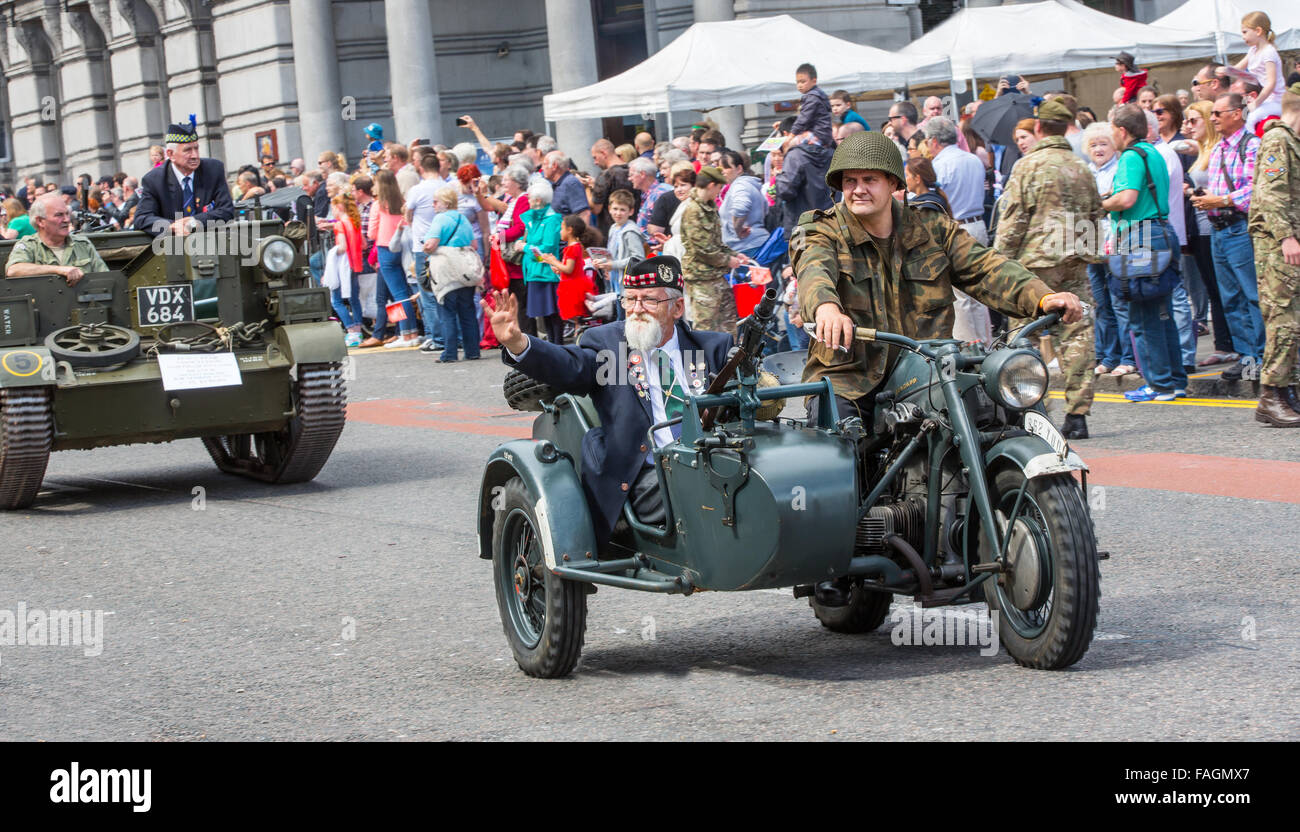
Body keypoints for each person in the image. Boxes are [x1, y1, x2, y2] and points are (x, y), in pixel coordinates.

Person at [795, 131, 1083, 425]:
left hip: (925, 371)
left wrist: (1042, 296)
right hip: (849, 377)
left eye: (869, 179)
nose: (858, 190)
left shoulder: (931, 227)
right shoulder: (820, 230)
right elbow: (813, 271)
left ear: (893, 183)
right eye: (850, 181)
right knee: (838, 439)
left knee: (997, 414)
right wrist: (826, 309)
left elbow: (985, 267)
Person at [487, 255, 733, 541]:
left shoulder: (711, 348)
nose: (636, 309)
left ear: (677, 307)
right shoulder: (608, 345)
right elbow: (567, 365)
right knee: (705, 483)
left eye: (649, 300)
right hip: (642, 476)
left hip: (710, 462)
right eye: (630, 299)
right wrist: (518, 342)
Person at [994, 98, 1102, 437]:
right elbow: (1096, 215)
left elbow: (1013, 219)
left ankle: (1030, 408)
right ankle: (1078, 415)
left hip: (1034, 265)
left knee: (1023, 335)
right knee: (1077, 333)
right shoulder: (1081, 167)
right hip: (1074, 260)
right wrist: (1091, 253)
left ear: (1039, 127)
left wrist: (998, 263)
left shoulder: (1027, 166)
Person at [1099, 104, 1189, 402]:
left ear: (1122, 130)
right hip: (1161, 232)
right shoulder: (1153, 152)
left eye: (1112, 129)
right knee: (1163, 313)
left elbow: (1127, 199)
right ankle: (1175, 381)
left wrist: (1101, 203)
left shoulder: (1129, 156)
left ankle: (1158, 384)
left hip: (1139, 237)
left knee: (1142, 316)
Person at [1191, 93, 1266, 381]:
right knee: (1231, 299)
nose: (1213, 119)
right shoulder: (1219, 147)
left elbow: (1255, 190)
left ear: (1236, 113)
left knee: (1251, 296)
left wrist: (1220, 200)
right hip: (1219, 229)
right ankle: (1247, 360)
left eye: (1218, 113)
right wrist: (1205, 198)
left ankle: (1261, 357)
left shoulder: (1252, 145)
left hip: (1237, 228)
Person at [1247, 81, 1300, 425]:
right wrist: (1286, 237)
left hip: (1289, 242)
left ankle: (1287, 391)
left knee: (1294, 321)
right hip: (1277, 245)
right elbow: (1270, 194)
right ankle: (1270, 395)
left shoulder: (1292, 142)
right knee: (1283, 320)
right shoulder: (1278, 140)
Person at [924, 116, 995, 345]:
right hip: (977, 224)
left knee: (960, 293)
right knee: (978, 289)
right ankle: (984, 343)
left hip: (956, 227)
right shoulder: (973, 159)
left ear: (934, 141)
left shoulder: (940, 165)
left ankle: (969, 347)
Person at [1180, 101, 1236, 366]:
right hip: (1203, 227)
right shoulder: (1203, 149)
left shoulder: (1216, 149)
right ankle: (1224, 345)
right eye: (1187, 120)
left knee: (1223, 289)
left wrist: (1191, 191)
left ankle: (1231, 345)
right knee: (1215, 289)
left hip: (1216, 226)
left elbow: (1220, 190)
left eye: (1194, 120)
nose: (1189, 126)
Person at [1082, 122, 1136, 378]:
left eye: (1103, 143)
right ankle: (1108, 356)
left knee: (1120, 304)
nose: (1098, 149)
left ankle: (1128, 357)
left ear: (1114, 145)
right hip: (1091, 246)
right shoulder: (1086, 172)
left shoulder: (1120, 169)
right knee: (1101, 305)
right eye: (1093, 145)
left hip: (1115, 244)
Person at [133, 119, 235, 237]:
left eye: (196, 148)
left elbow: (227, 210)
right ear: (170, 154)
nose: (195, 155)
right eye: (188, 150)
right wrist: (171, 227)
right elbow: (142, 218)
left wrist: (193, 222)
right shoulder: (154, 179)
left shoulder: (213, 170)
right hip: (172, 245)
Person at [680, 166, 746, 336]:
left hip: (716, 276)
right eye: (719, 187)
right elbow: (701, 249)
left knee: (728, 324)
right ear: (711, 185)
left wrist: (734, 255)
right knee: (706, 326)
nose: (719, 191)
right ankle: (707, 355)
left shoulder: (709, 207)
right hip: (701, 278)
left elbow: (715, 243)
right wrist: (728, 260)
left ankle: (728, 352)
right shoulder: (693, 210)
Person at [422, 186, 483, 363]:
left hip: (446, 271)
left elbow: (430, 244)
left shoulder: (440, 219)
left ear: (446, 203)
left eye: (436, 201)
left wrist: (426, 247)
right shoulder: (463, 219)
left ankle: (449, 353)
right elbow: (474, 244)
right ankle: (472, 351)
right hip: (465, 270)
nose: (433, 204)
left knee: (447, 312)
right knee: (467, 311)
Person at [362, 169, 420, 349]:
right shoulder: (402, 202)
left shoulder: (378, 205)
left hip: (385, 249)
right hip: (403, 248)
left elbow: (371, 233)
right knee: (403, 293)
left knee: (395, 295)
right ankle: (411, 332)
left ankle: (405, 333)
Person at [6, 193, 109, 284]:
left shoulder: (82, 244)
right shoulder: (29, 245)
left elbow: (106, 279)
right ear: (40, 221)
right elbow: (13, 270)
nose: (67, 220)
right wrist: (58, 270)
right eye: (59, 215)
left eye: (67, 214)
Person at [405, 150, 449, 351]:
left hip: (423, 245)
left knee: (428, 294)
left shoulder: (417, 189)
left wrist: (412, 222)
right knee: (446, 292)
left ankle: (438, 338)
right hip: (446, 244)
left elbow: (408, 213)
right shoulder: (447, 186)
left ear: (421, 168)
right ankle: (449, 336)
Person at [520, 178, 565, 345]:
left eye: (530, 198)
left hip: (547, 274)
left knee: (553, 314)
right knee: (545, 315)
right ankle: (552, 347)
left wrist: (524, 247)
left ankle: (557, 347)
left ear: (538, 200)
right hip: (535, 272)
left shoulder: (552, 220)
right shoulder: (534, 219)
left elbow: (546, 250)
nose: (528, 201)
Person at [773, 116, 834, 240]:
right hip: (831, 224)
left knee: (801, 253)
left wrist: (779, 176)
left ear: (788, 135)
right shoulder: (831, 152)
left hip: (801, 228)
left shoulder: (795, 155)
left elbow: (785, 191)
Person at [538, 214, 599, 325]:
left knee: (577, 320)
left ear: (570, 230)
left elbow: (568, 269)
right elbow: (572, 268)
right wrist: (558, 267)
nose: (560, 231)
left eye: (562, 228)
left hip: (573, 288)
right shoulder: (574, 247)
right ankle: (578, 331)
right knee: (576, 321)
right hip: (571, 285)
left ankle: (578, 333)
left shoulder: (573, 248)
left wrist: (553, 261)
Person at [324, 192, 365, 347]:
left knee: (336, 300)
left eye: (333, 208)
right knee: (354, 299)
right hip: (356, 264)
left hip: (343, 267)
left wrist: (332, 252)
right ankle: (358, 330)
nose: (333, 211)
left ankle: (351, 330)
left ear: (339, 207)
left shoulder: (340, 224)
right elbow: (363, 244)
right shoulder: (355, 222)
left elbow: (342, 247)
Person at [1235, 12, 1284, 133]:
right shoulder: (1252, 50)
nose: (1242, 36)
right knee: (1240, 113)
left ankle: (1252, 142)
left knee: (1251, 118)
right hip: (1260, 97)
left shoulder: (1269, 52)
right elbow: (1237, 69)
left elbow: (1271, 83)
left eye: (1245, 32)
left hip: (1275, 100)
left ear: (1258, 31)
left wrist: (1257, 103)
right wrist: (1224, 70)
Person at [597, 189, 646, 310]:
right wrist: (603, 263)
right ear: (609, 209)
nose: (618, 213)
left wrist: (613, 265)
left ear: (631, 211)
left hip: (629, 286)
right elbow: (612, 254)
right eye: (615, 209)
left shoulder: (630, 232)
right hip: (616, 284)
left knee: (625, 316)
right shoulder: (613, 228)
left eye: (622, 210)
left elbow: (638, 258)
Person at [717, 150, 769, 260]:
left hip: (747, 247)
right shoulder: (745, 184)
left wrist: (737, 230)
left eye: (726, 167)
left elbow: (741, 208)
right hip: (751, 245)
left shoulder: (741, 185)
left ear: (739, 169)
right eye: (720, 168)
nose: (722, 172)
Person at [581, 139, 634, 235]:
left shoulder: (606, 175)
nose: (595, 162)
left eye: (595, 157)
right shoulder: (633, 170)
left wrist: (586, 188)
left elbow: (595, 208)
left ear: (603, 153)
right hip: (633, 227)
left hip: (610, 231)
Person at [628, 157, 671, 236]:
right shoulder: (645, 194)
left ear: (642, 174)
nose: (629, 179)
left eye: (631, 175)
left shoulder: (661, 193)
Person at [543, 150, 589, 222]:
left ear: (554, 166)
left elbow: (584, 215)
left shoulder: (571, 183)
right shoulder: (558, 184)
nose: (542, 168)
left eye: (544, 164)